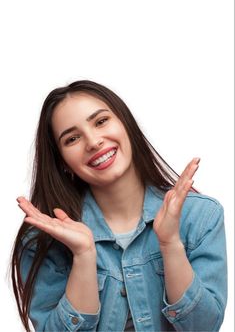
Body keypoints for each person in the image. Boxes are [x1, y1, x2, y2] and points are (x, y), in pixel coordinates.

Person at [11, 79, 227, 332]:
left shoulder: (200, 216)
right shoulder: (45, 240)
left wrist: (169, 243)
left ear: (126, 124)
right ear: (63, 163)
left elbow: (203, 327)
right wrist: (83, 256)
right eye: (72, 138)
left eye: (101, 121)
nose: (93, 142)